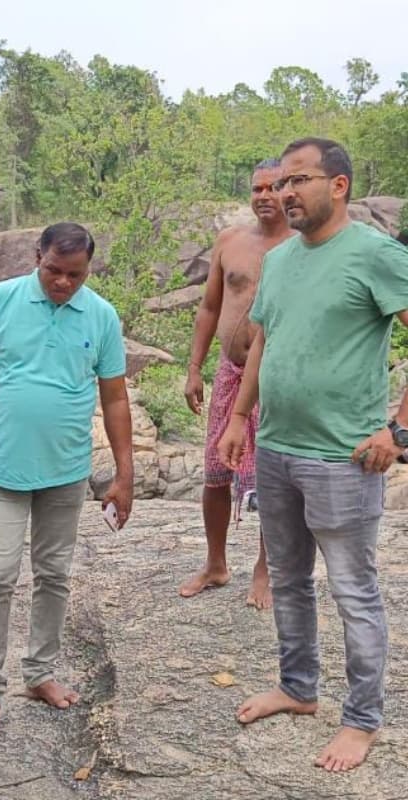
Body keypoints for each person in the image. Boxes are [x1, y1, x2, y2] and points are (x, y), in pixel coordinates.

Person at [219, 137, 408, 772]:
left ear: (339, 187)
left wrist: (398, 431)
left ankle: (362, 720)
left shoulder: (376, 256)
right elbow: (265, 340)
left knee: (353, 590)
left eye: (298, 181)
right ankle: (298, 688)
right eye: (279, 183)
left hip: (342, 457)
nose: (283, 193)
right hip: (276, 448)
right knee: (291, 580)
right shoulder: (284, 260)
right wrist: (241, 417)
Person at [0, 223, 134, 736]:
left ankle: (40, 673)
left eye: (75, 274)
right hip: (3, 467)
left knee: (53, 574)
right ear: (37, 258)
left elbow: (114, 396)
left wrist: (125, 471)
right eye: (54, 270)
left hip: (66, 472)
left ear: (88, 269)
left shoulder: (101, 314)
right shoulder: (1, 301)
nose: (63, 283)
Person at [179, 160, 294, 609]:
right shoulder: (230, 241)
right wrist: (193, 367)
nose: (264, 195)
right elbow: (209, 307)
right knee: (215, 472)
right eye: (257, 188)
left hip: (276, 377)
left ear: (289, 190)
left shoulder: (300, 246)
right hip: (229, 372)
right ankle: (216, 563)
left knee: (270, 476)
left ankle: (265, 570)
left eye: (274, 187)